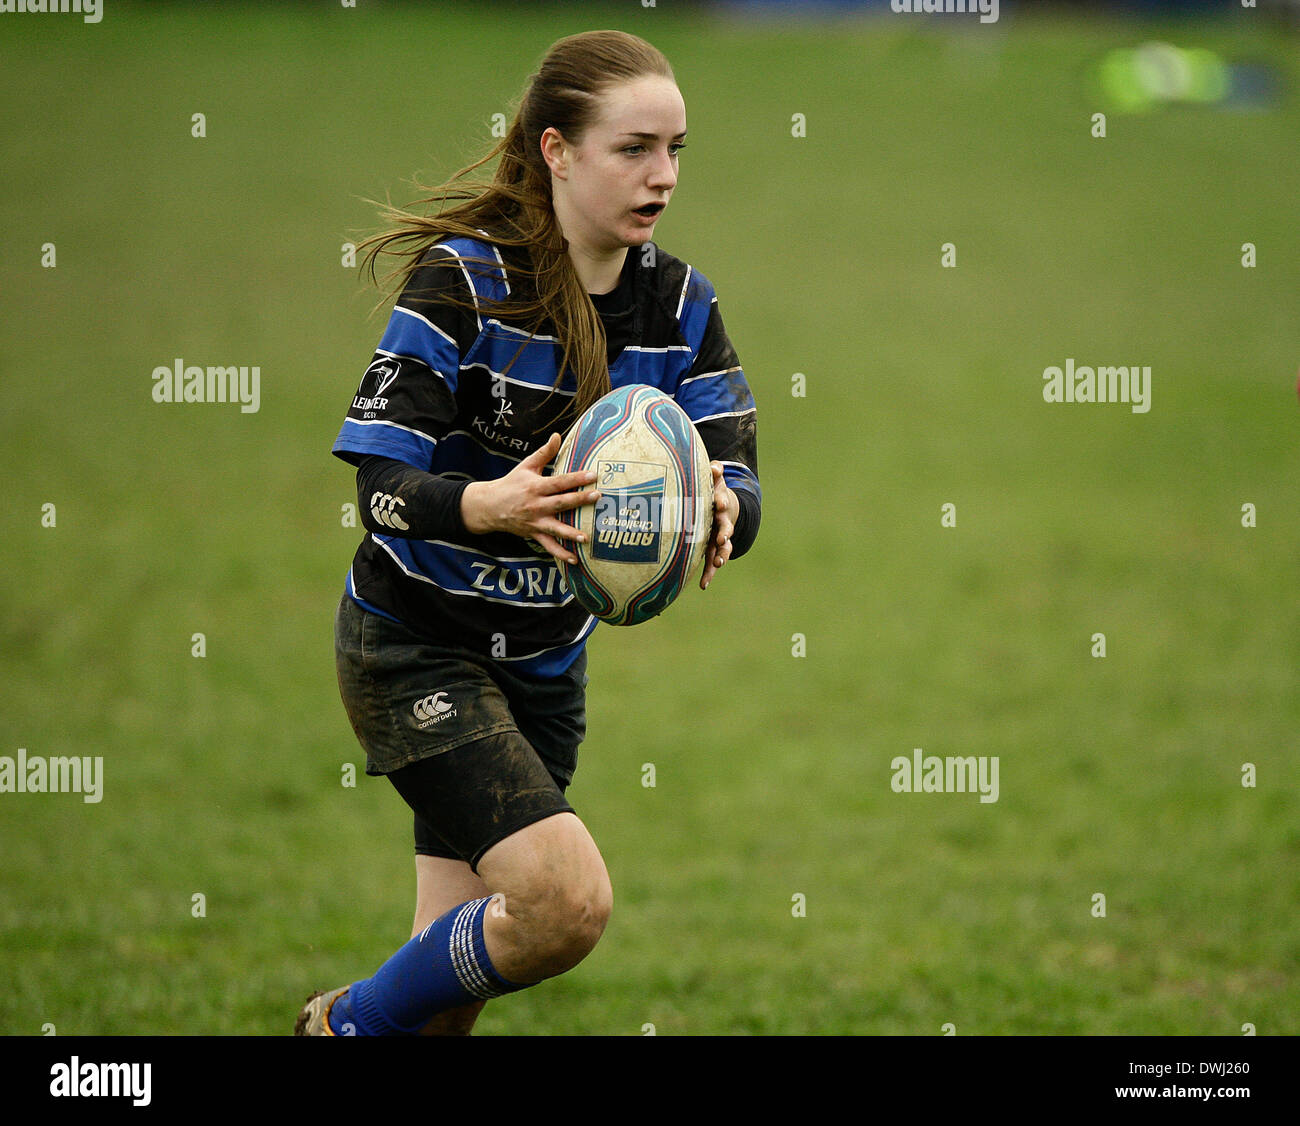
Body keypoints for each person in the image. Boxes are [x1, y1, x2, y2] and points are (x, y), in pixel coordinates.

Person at [296, 28, 760, 1036]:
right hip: (415, 647)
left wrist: (726, 508)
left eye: (676, 150)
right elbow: (378, 487)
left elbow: (735, 469)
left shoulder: (681, 306)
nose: (664, 175)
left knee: (449, 991)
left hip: (545, 668)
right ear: (557, 150)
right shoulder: (463, 282)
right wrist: (485, 505)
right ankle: (339, 1027)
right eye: (634, 148)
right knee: (563, 906)